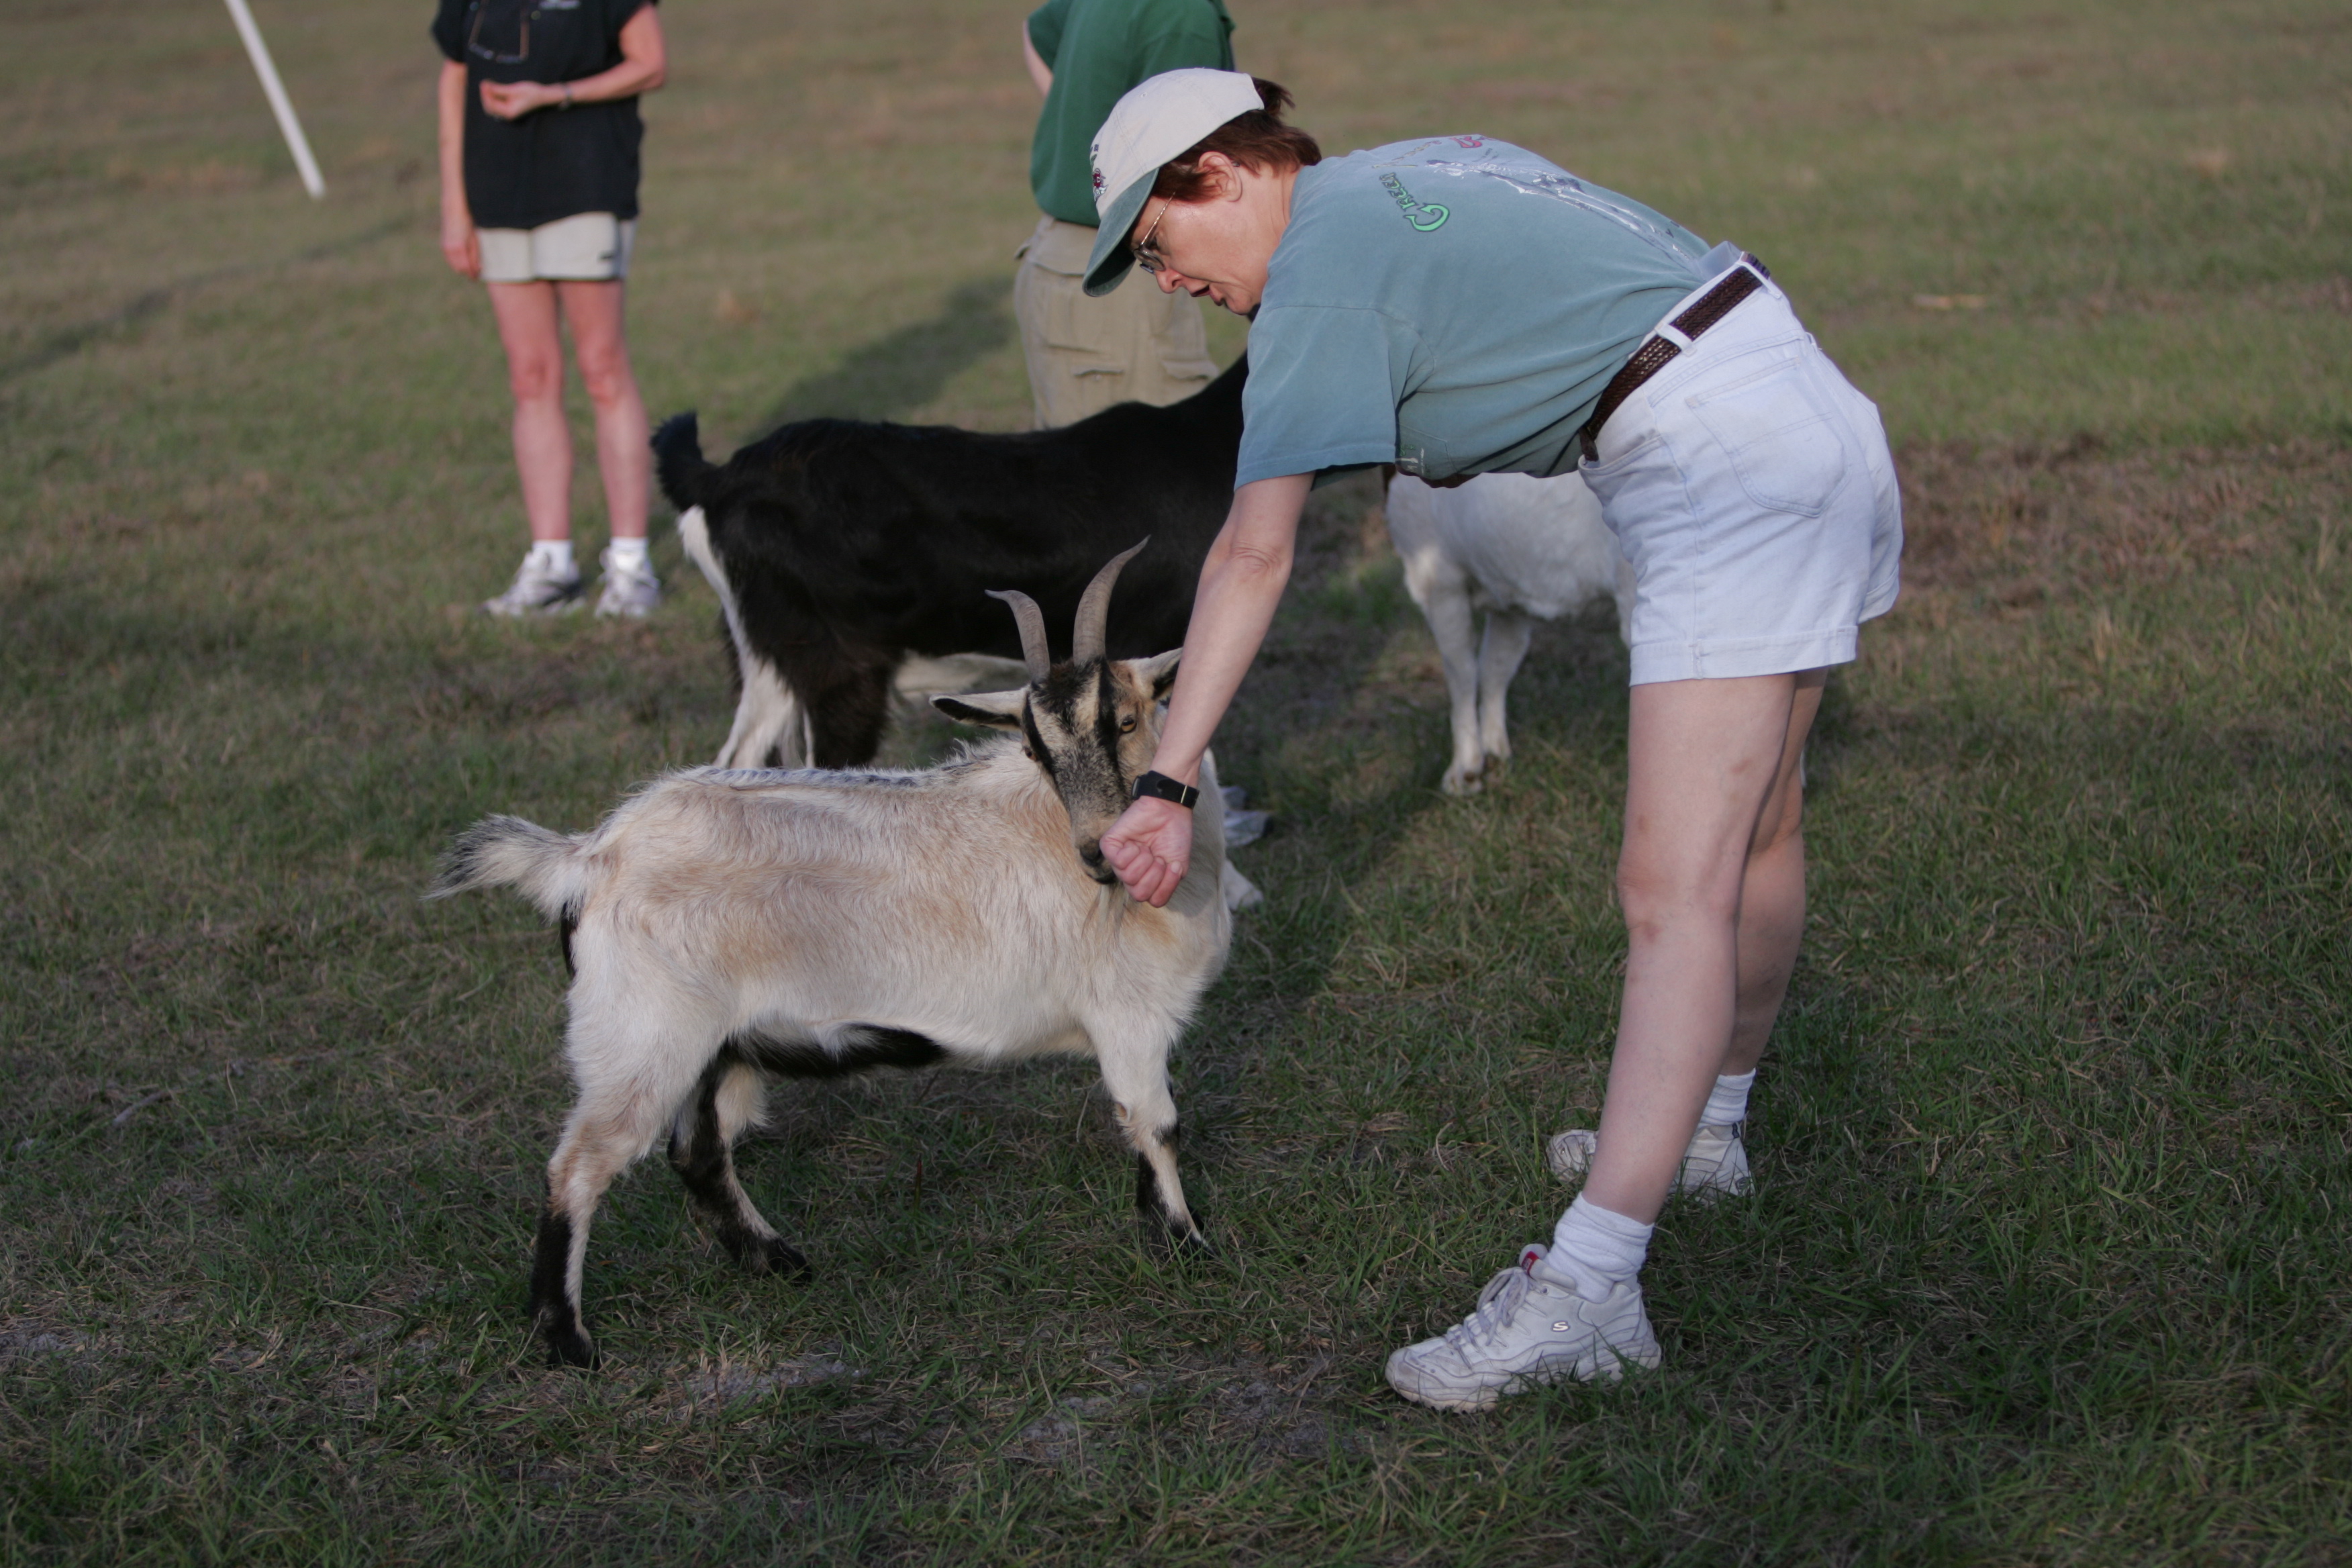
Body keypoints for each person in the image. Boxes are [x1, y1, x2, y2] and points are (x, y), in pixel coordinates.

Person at [1083, 71, 1902, 1410]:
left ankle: (1589, 1291)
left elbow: (1252, 552)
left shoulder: (1313, 281)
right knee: (1758, 832)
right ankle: (1709, 1137)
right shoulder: (1408, 168)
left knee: (1670, 891)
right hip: (1793, 391)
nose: (1169, 283)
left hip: (1715, 458)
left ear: (1219, 175)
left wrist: (1167, 779)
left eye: (1158, 244)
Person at [434, 0, 667, 617]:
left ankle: (631, 566)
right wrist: (455, 204)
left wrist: (555, 95)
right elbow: (455, 76)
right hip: (496, 192)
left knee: (602, 369)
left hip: (587, 184)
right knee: (530, 377)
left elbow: (651, 63)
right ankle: (551, 567)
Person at [1014, 0, 1233, 428]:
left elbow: (1037, 33)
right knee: (1161, 461)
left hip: (1059, 258)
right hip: (1121, 275)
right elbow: (1186, 167)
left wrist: (1091, 148)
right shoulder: (1182, 14)